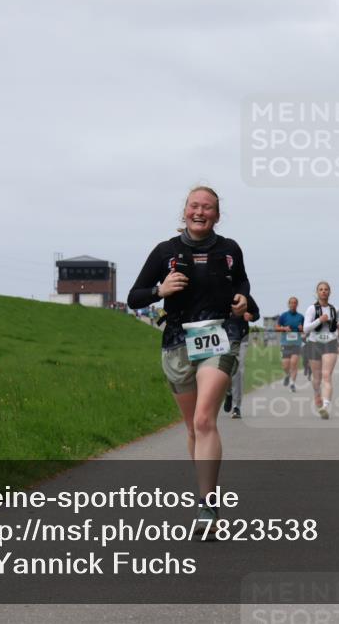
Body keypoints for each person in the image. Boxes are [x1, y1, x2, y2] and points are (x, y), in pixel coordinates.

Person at [127, 185, 249, 534]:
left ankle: (208, 507)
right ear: (184, 211)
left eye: (207, 207)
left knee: (204, 419)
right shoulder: (166, 251)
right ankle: (204, 496)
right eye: (194, 206)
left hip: (220, 336)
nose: (200, 212)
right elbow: (135, 297)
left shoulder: (229, 250)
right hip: (177, 342)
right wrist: (159, 291)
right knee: (193, 427)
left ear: (217, 215)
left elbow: (242, 283)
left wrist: (243, 300)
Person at [304, 281, 339, 419]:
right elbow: (305, 328)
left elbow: (335, 327)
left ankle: (325, 406)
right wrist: (320, 320)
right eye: (321, 289)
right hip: (314, 343)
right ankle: (317, 394)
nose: (323, 291)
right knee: (317, 378)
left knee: (326, 376)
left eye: (326, 289)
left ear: (330, 292)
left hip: (330, 343)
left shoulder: (334, 309)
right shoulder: (311, 309)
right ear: (317, 292)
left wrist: (335, 336)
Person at [224, 295, 260, 419]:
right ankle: (228, 393)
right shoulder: (217, 290)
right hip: (222, 338)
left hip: (241, 338)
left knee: (238, 371)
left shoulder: (244, 295)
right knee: (225, 372)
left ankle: (236, 407)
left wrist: (251, 316)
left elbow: (256, 313)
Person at [275, 297, 304, 393]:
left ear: (297, 304)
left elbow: (305, 330)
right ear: (288, 304)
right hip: (285, 343)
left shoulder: (301, 317)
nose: (293, 304)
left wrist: (301, 329)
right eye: (291, 303)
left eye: (295, 303)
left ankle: (292, 383)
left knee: (294, 363)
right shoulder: (283, 316)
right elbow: (277, 328)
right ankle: (287, 375)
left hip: (297, 343)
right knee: (285, 365)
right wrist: (284, 328)